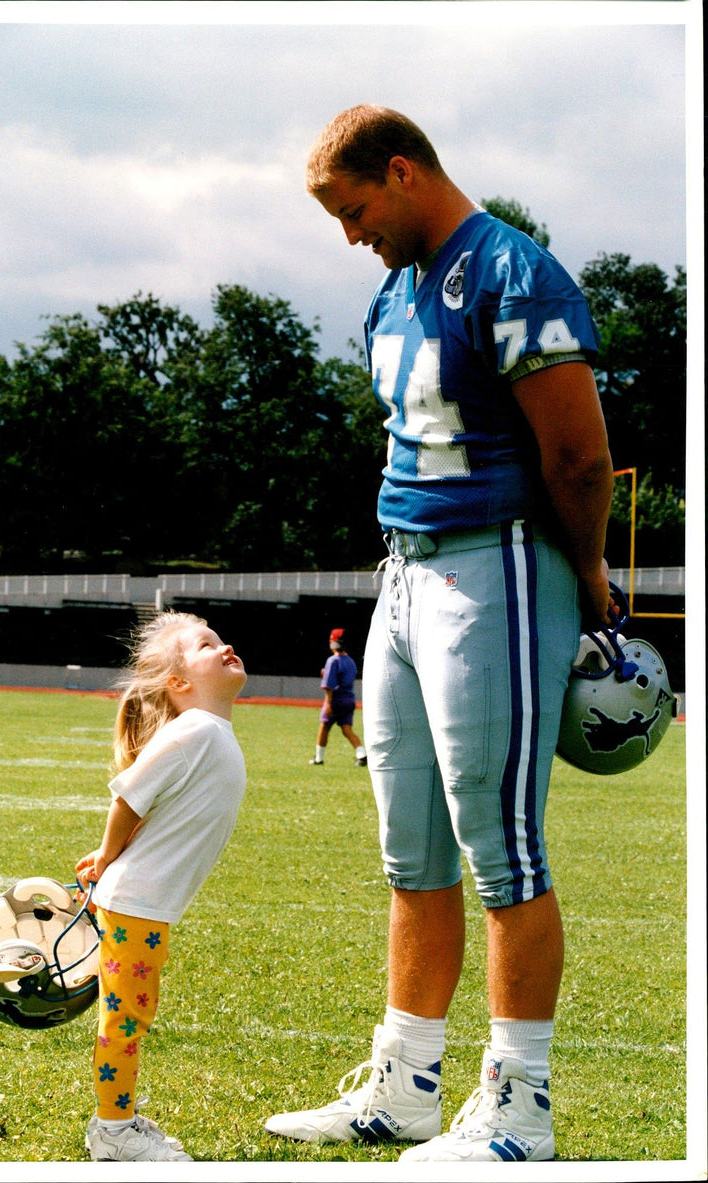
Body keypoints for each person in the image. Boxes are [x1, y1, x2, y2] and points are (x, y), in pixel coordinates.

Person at [265, 105, 615, 1163]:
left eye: (355, 208)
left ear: (405, 172)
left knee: (500, 852)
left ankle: (519, 1110)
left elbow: (578, 460)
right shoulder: (394, 290)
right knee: (409, 853)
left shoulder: (512, 274)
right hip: (404, 578)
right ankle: (405, 1087)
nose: (349, 234)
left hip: (497, 563)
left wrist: (588, 568)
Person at [75, 612, 247, 1162]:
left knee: (131, 1015)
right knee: (125, 1020)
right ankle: (112, 1131)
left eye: (221, 640)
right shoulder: (195, 730)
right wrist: (107, 857)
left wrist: (113, 858)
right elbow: (129, 795)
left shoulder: (207, 731)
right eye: (206, 645)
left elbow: (151, 805)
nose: (224, 648)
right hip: (136, 904)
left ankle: (118, 1118)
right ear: (179, 683)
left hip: (145, 905)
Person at [309, 628, 367, 766]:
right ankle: (362, 753)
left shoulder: (332, 661)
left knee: (324, 727)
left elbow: (329, 685)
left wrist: (328, 704)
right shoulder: (351, 661)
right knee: (347, 729)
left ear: (334, 643)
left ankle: (319, 758)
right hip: (349, 699)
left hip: (336, 700)